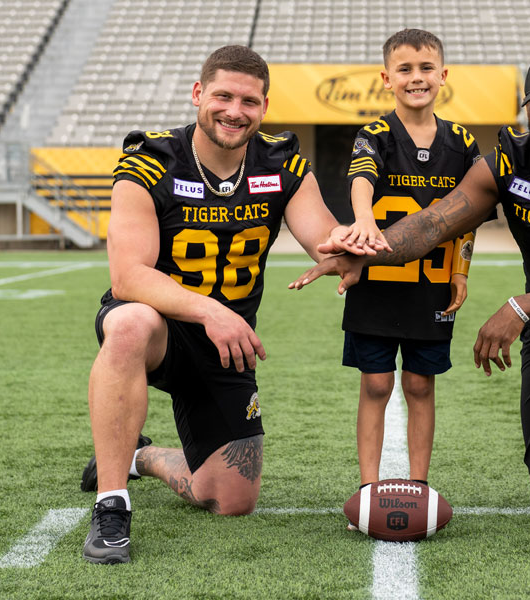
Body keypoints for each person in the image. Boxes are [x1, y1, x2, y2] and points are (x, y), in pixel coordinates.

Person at [291, 51, 530, 556]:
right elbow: (436, 223)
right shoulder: (509, 157)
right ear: (527, 111)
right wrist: (365, 256)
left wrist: (521, 306)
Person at [80, 45, 379, 564]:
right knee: (128, 322)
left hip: (226, 349)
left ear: (264, 107)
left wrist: (346, 249)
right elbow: (128, 277)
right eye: (222, 96)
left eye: (249, 101)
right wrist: (210, 310)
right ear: (199, 94)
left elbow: (320, 234)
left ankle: (140, 456)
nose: (234, 111)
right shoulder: (151, 160)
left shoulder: (281, 161)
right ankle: (112, 506)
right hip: (163, 330)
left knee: (229, 498)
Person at [340, 29, 480, 505]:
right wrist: (363, 219)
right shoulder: (374, 134)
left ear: (443, 76)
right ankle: (367, 485)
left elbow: (470, 213)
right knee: (376, 383)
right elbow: (362, 179)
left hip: (433, 285)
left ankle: (419, 484)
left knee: (421, 383)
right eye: (405, 69)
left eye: (425, 69)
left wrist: (460, 271)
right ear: (386, 78)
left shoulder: (461, 142)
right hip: (377, 283)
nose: (416, 78)